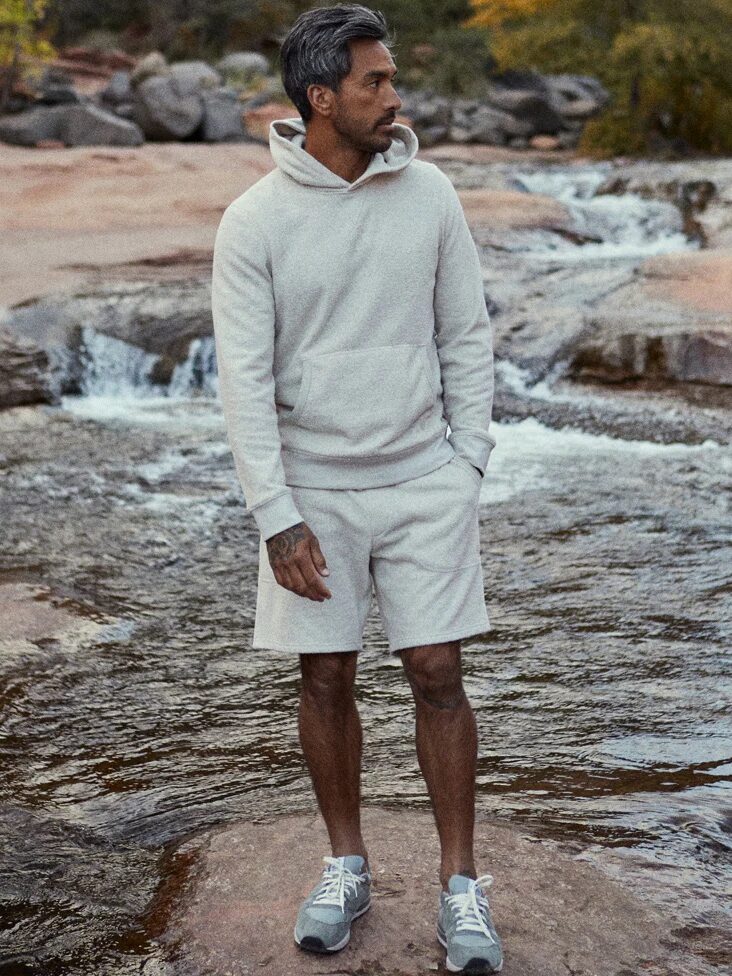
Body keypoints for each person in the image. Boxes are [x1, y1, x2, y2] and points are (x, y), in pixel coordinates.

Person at [210, 4, 503, 973]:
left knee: (436, 672)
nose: (395, 96)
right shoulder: (254, 221)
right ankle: (347, 863)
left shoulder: (430, 196)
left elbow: (466, 335)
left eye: (392, 78)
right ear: (319, 96)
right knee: (325, 675)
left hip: (425, 477)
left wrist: (466, 468)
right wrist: (276, 515)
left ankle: (463, 887)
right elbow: (244, 382)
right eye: (375, 82)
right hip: (314, 491)